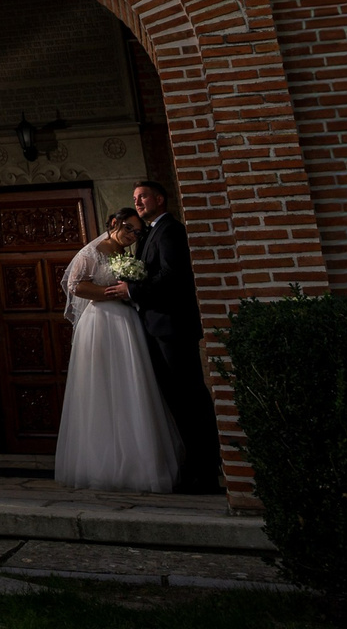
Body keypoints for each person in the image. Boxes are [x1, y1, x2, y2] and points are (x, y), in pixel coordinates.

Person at [104, 179, 224, 493]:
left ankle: (206, 473)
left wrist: (132, 290)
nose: (137, 202)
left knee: (189, 398)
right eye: (135, 197)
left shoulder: (170, 230)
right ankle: (192, 468)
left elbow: (173, 276)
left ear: (159, 199)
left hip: (173, 327)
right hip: (156, 326)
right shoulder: (149, 233)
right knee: (176, 400)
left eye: (143, 196)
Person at [55, 208, 185, 492]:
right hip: (101, 321)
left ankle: (140, 462)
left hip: (127, 321)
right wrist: (110, 293)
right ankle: (103, 463)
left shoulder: (127, 254)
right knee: (103, 386)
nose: (132, 236)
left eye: (137, 232)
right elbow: (75, 285)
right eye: (128, 229)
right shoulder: (91, 252)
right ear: (114, 223)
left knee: (133, 384)